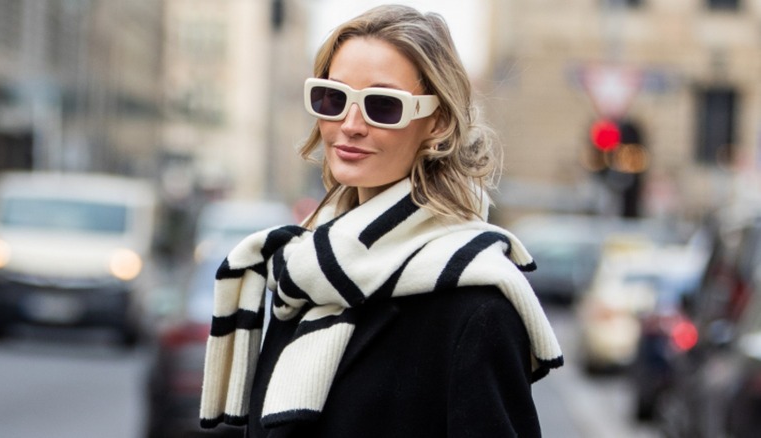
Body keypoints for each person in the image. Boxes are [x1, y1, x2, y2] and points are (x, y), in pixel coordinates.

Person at [200, 4, 563, 437]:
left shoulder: (477, 308)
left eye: (383, 105)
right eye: (333, 98)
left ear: (437, 122)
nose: (350, 125)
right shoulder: (304, 274)